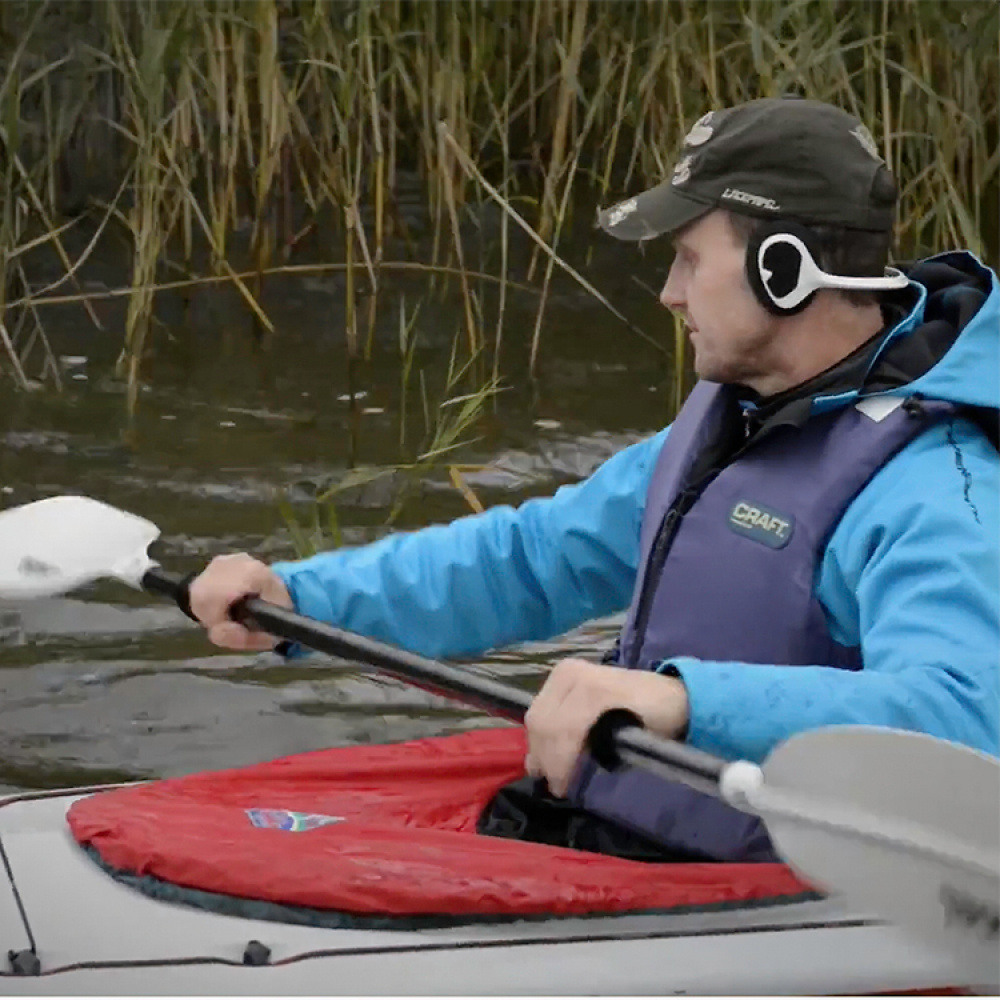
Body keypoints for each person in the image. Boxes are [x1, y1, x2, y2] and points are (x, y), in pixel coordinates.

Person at [188, 97, 999, 862]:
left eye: (688, 259)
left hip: (754, 880)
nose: (668, 293)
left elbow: (968, 718)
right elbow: (532, 559)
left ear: (785, 271)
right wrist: (302, 601)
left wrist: (686, 703)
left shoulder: (932, 488)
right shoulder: (738, 416)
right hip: (622, 829)